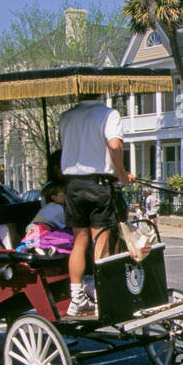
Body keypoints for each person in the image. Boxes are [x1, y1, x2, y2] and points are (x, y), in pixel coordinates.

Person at [57, 94, 132, 318]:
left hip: (73, 185)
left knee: (79, 241)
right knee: (101, 241)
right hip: (99, 184)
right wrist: (121, 174)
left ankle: (76, 298)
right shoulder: (107, 114)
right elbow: (114, 144)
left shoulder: (66, 117)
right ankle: (102, 296)